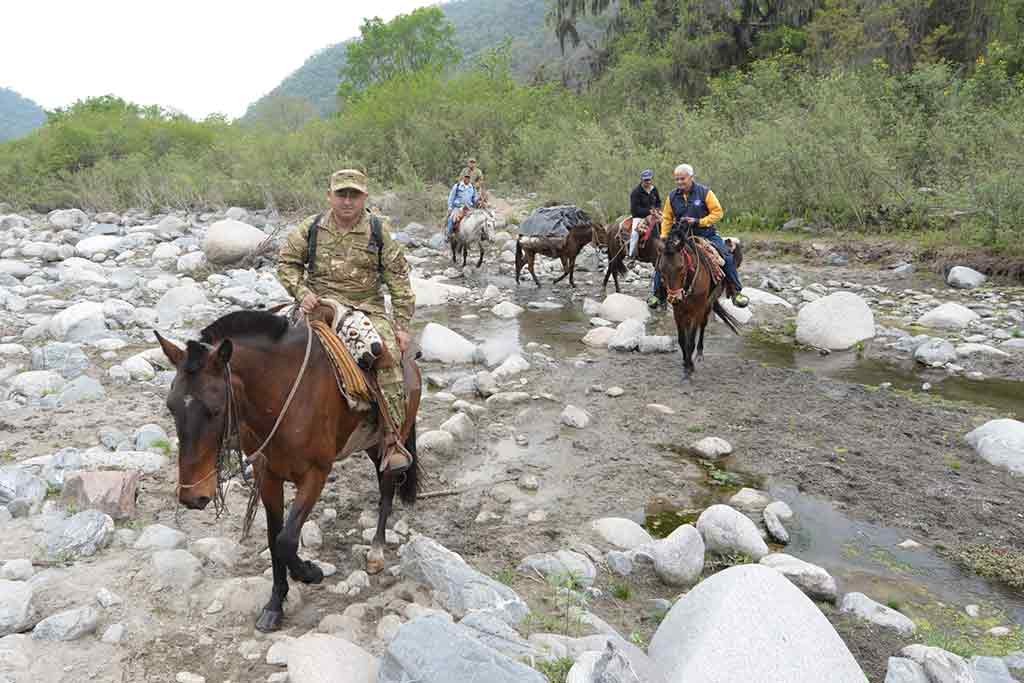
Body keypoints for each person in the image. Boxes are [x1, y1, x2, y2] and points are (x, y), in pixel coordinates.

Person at [277, 169, 415, 472]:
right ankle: (267, 434)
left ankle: (392, 440)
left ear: (364, 197)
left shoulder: (379, 231)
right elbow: (286, 262)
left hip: (366, 307)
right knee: (271, 354)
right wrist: (301, 292)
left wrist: (402, 326)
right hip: (318, 304)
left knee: (387, 358)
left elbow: (399, 281)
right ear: (330, 196)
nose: (347, 201)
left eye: (354, 194)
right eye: (341, 194)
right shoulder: (311, 227)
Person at [651, 164, 748, 308]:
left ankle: (736, 291)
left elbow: (717, 212)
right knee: (664, 259)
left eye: (682, 179)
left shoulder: (705, 193)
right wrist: (665, 236)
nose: (679, 182)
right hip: (681, 236)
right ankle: (657, 294)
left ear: (691, 177)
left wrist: (699, 221)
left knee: (726, 257)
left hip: (706, 234)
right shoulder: (672, 196)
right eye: (677, 179)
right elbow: (667, 218)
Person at [628, 169, 661, 260]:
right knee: (635, 233)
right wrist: (648, 211)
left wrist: (657, 209)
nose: (648, 182)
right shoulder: (636, 192)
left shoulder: (654, 190)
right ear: (642, 180)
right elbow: (635, 209)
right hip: (639, 216)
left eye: (649, 179)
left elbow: (658, 202)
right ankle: (631, 254)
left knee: (668, 223)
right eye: (646, 180)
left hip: (654, 214)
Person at [446, 171, 479, 241]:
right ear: (463, 177)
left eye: (468, 177)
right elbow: (451, 197)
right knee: (452, 219)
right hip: (458, 207)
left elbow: (474, 198)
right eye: (466, 177)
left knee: (477, 220)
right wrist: (450, 207)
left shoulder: (472, 187)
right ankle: (449, 234)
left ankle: (477, 237)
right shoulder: (457, 186)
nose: (467, 179)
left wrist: (478, 200)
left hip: (469, 208)